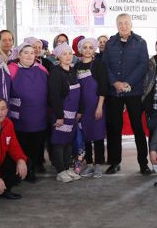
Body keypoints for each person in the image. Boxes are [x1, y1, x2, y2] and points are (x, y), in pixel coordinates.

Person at [102, 13, 151, 175]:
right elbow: (105, 65)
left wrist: (127, 83)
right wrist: (115, 83)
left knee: (138, 127)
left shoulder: (140, 42)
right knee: (114, 128)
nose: (123, 26)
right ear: (117, 26)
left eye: (126, 23)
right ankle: (114, 162)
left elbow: (143, 65)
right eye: (120, 23)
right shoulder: (110, 43)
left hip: (133, 91)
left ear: (131, 24)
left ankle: (143, 164)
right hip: (114, 92)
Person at [8, 42, 49, 182]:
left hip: (39, 116)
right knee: (20, 146)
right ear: (19, 55)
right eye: (25, 53)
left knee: (35, 146)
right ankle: (20, 171)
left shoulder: (42, 69)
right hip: (20, 116)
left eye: (32, 53)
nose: (29, 56)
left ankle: (31, 170)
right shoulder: (11, 69)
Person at [47, 43, 81, 183]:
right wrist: (59, 116)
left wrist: (79, 111)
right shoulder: (55, 73)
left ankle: (67, 168)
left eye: (70, 53)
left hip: (72, 114)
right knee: (59, 143)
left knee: (68, 142)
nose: (68, 56)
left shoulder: (72, 71)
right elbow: (54, 96)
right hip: (61, 114)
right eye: (64, 54)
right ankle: (60, 171)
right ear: (58, 57)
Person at [75, 38, 108, 176]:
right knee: (86, 136)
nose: (87, 50)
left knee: (98, 136)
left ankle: (98, 165)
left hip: (96, 105)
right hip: (82, 107)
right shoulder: (76, 66)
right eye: (85, 47)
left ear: (94, 49)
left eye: (90, 47)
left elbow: (103, 86)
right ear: (80, 50)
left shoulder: (98, 65)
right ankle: (88, 164)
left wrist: (100, 106)